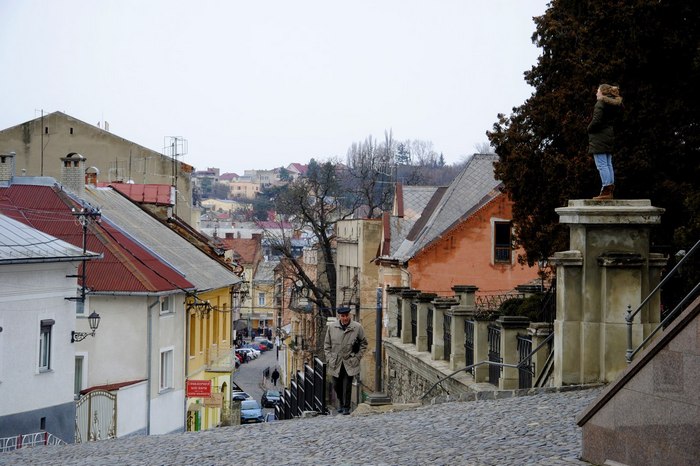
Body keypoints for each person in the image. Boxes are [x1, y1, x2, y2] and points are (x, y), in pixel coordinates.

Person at [323, 306, 368, 415]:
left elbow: (364, 343)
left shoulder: (357, 327)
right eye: (343, 316)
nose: (345, 318)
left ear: (350, 315)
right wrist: (329, 358)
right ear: (339, 316)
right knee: (336, 385)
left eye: (347, 315)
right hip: (336, 362)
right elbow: (327, 345)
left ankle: (346, 408)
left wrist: (357, 357)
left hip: (350, 361)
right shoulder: (332, 327)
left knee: (347, 385)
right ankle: (342, 403)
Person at [587, 83, 623, 200]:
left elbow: (596, 121)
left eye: (597, 91)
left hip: (599, 138)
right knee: (608, 163)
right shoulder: (614, 105)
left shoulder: (600, 103)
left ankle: (606, 190)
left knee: (602, 164)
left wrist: (589, 128)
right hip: (609, 135)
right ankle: (609, 190)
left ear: (602, 92)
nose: (596, 93)